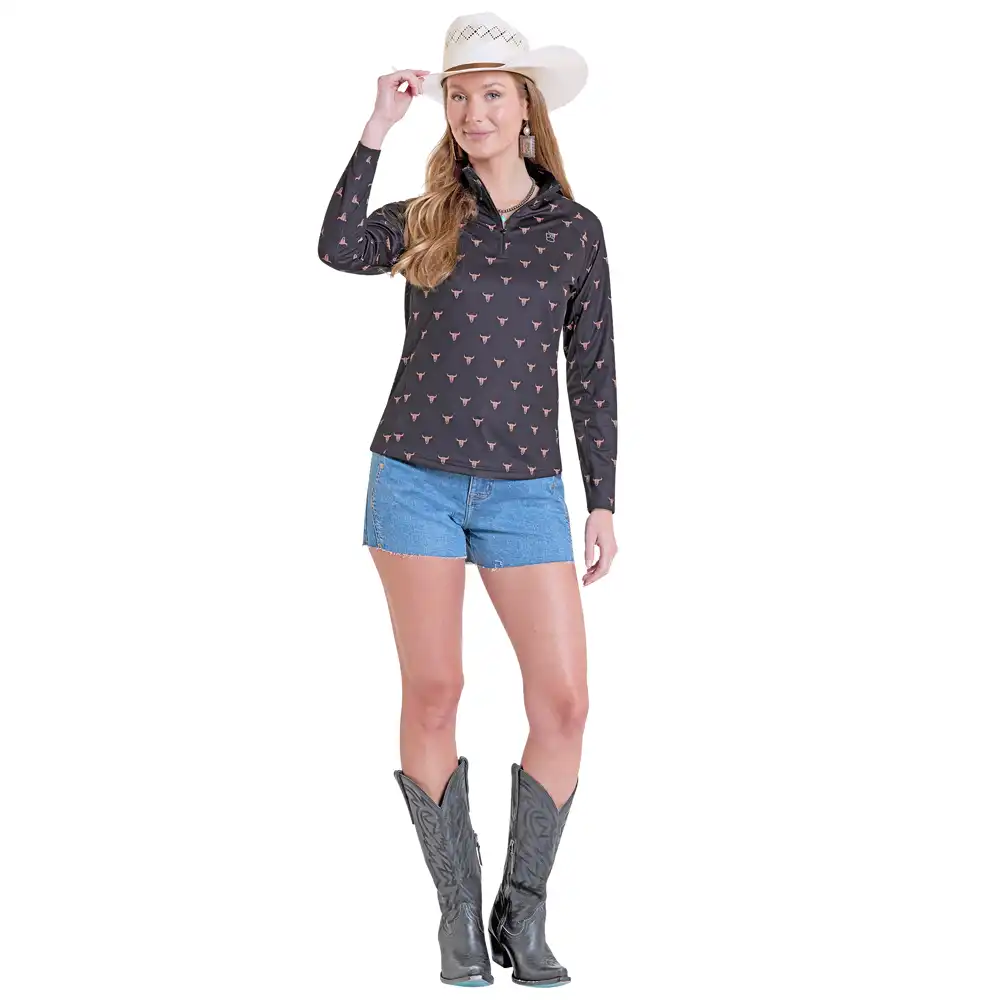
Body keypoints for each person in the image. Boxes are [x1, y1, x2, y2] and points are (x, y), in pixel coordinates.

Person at [317, 11, 617, 988]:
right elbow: (336, 246)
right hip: (415, 480)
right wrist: (376, 127)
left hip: (527, 489)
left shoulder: (575, 232)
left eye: (491, 92)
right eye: (458, 95)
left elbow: (592, 371)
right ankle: (457, 914)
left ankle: (521, 914)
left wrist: (603, 500)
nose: (473, 110)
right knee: (436, 689)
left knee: (564, 702)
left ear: (526, 108)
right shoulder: (426, 217)